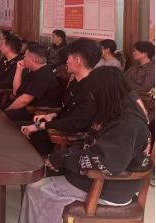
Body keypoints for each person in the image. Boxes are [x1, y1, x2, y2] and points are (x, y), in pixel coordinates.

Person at [20, 66, 152, 223]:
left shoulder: (127, 123)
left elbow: (106, 163)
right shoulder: (113, 108)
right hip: (100, 177)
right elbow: (89, 137)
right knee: (42, 174)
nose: (90, 96)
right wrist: (66, 156)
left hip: (111, 186)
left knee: (37, 189)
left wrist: (65, 159)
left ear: (101, 92)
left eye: (92, 92)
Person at [19, 38, 100, 156]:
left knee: (14, 136)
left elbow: (74, 123)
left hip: (63, 137)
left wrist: (40, 126)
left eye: (69, 57)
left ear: (77, 61)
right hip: (56, 125)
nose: (66, 61)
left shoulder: (91, 89)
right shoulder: (76, 81)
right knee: (12, 126)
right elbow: (68, 110)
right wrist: (52, 115)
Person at [4, 44, 61, 121]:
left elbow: (25, 100)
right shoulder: (35, 71)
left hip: (36, 113)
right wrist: (19, 70)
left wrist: (4, 113)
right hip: (27, 108)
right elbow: (16, 92)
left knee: (2, 115)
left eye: (25, 57)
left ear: (33, 60)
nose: (23, 59)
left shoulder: (44, 74)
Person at [126, 41, 155, 111]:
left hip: (139, 99)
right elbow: (123, 78)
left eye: (136, 50)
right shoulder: (135, 65)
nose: (133, 53)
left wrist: (128, 84)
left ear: (145, 53)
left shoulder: (152, 68)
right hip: (126, 94)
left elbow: (145, 89)